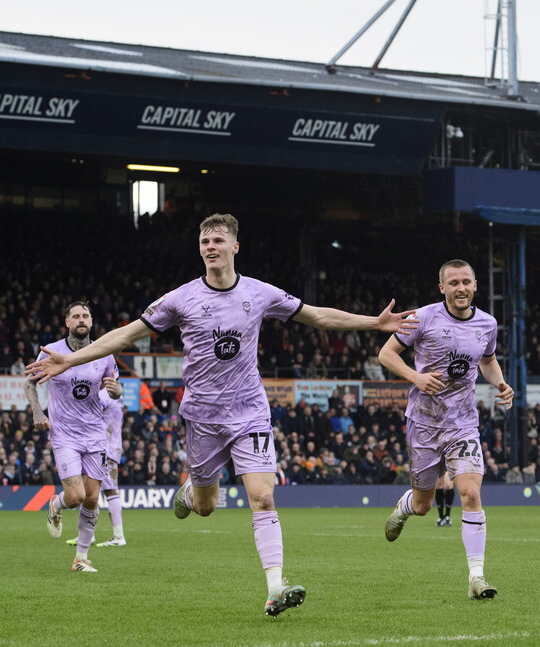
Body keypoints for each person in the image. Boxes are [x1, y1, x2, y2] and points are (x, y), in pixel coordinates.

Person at [27, 213, 416, 616]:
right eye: (205, 242)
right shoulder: (180, 298)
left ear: (234, 247)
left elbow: (316, 316)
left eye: (217, 240)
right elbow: (125, 335)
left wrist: (375, 322)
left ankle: (274, 588)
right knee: (207, 505)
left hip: (250, 412)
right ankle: (191, 491)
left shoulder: (260, 292)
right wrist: (70, 359)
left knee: (263, 496)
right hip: (202, 419)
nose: (210, 247)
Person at [378, 259, 514, 601]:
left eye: (466, 281)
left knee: (469, 493)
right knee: (424, 504)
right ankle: (404, 508)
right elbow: (387, 354)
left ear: (476, 285)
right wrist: (416, 377)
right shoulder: (423, 317)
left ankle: (476, 577)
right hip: (424, 424)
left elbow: (487, 359)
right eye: (453, 283)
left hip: (463, 423)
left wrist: (500, 383)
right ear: (442, 288)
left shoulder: (487, 323)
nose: (461, 288)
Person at [23, 302, 122, 573]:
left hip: (95, 434)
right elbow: (29, 382)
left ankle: (81, 558)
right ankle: (55, 504)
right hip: (65, 434)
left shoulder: (103, 353)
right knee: (76, 496)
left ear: (91, 321)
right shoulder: (52, 350)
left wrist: (115, 390)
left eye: (86, 316)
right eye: (76, 316)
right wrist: (36, 411)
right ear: (67, 322)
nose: (81, 320)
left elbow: (116, 389)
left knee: (92, 499)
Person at [67, 387, 126, 547]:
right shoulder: (116, 394)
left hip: (102, 448)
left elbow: (90, 416)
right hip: (111, 445)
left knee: (105, 490)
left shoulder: (103, 394)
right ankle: (89, 535)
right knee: (94, 490)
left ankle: (118, 536)